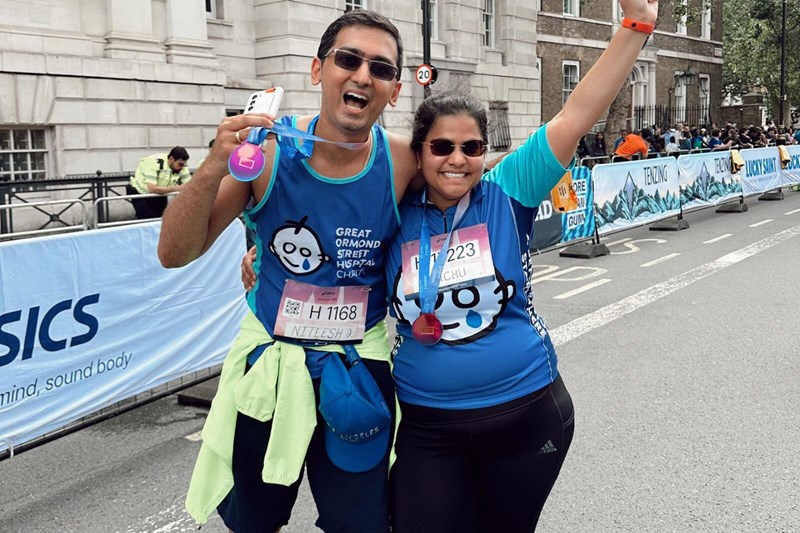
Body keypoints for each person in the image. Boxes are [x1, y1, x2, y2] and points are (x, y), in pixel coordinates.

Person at [384, 1, 658, 530]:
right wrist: (260, 254)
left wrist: (636, 27)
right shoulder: (392, 210)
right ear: (418, 153)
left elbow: (576, 114)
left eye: (472, 147)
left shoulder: (508, 190)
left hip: (526, 415)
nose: (457, 158)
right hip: (427, 427)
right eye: (441, 146)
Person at [158, 10, 420, 533]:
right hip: (270, 366)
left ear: (394, 91)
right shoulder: (266, 153)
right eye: (348, 59)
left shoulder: (403, 162)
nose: (362, 75)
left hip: (356, 369)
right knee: (255, 521)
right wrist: (214, 165)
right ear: (318, 70)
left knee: (361, 525)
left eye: (380, 68)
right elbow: (175, 253)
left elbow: (465, 197)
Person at [127, 146, 191, 219]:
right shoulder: (153, 163)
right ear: (171, 159)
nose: (182, 167)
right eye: (180, 164)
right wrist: (178, 188)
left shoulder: (182, 167)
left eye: (184, 165)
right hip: (140, 192)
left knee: (161, 218)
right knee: (147, 218)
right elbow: (152, 189)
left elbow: (189, 185)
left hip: (160, 193)